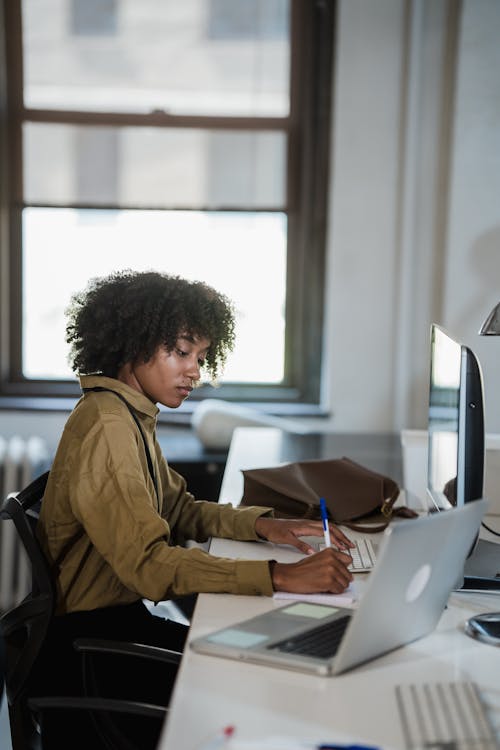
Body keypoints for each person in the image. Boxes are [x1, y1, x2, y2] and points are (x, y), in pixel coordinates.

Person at [32, 270, 354, 748]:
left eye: (200, 357)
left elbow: (179, 508)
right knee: (256, 683)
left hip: (110, 627)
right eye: (181, 353)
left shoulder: (128, 413)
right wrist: (280, 577)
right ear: (132, 345)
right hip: (87, 655)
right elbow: (148, 567)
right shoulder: (109, 428)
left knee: (258, 660)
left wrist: (267, 526)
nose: (194, 372)